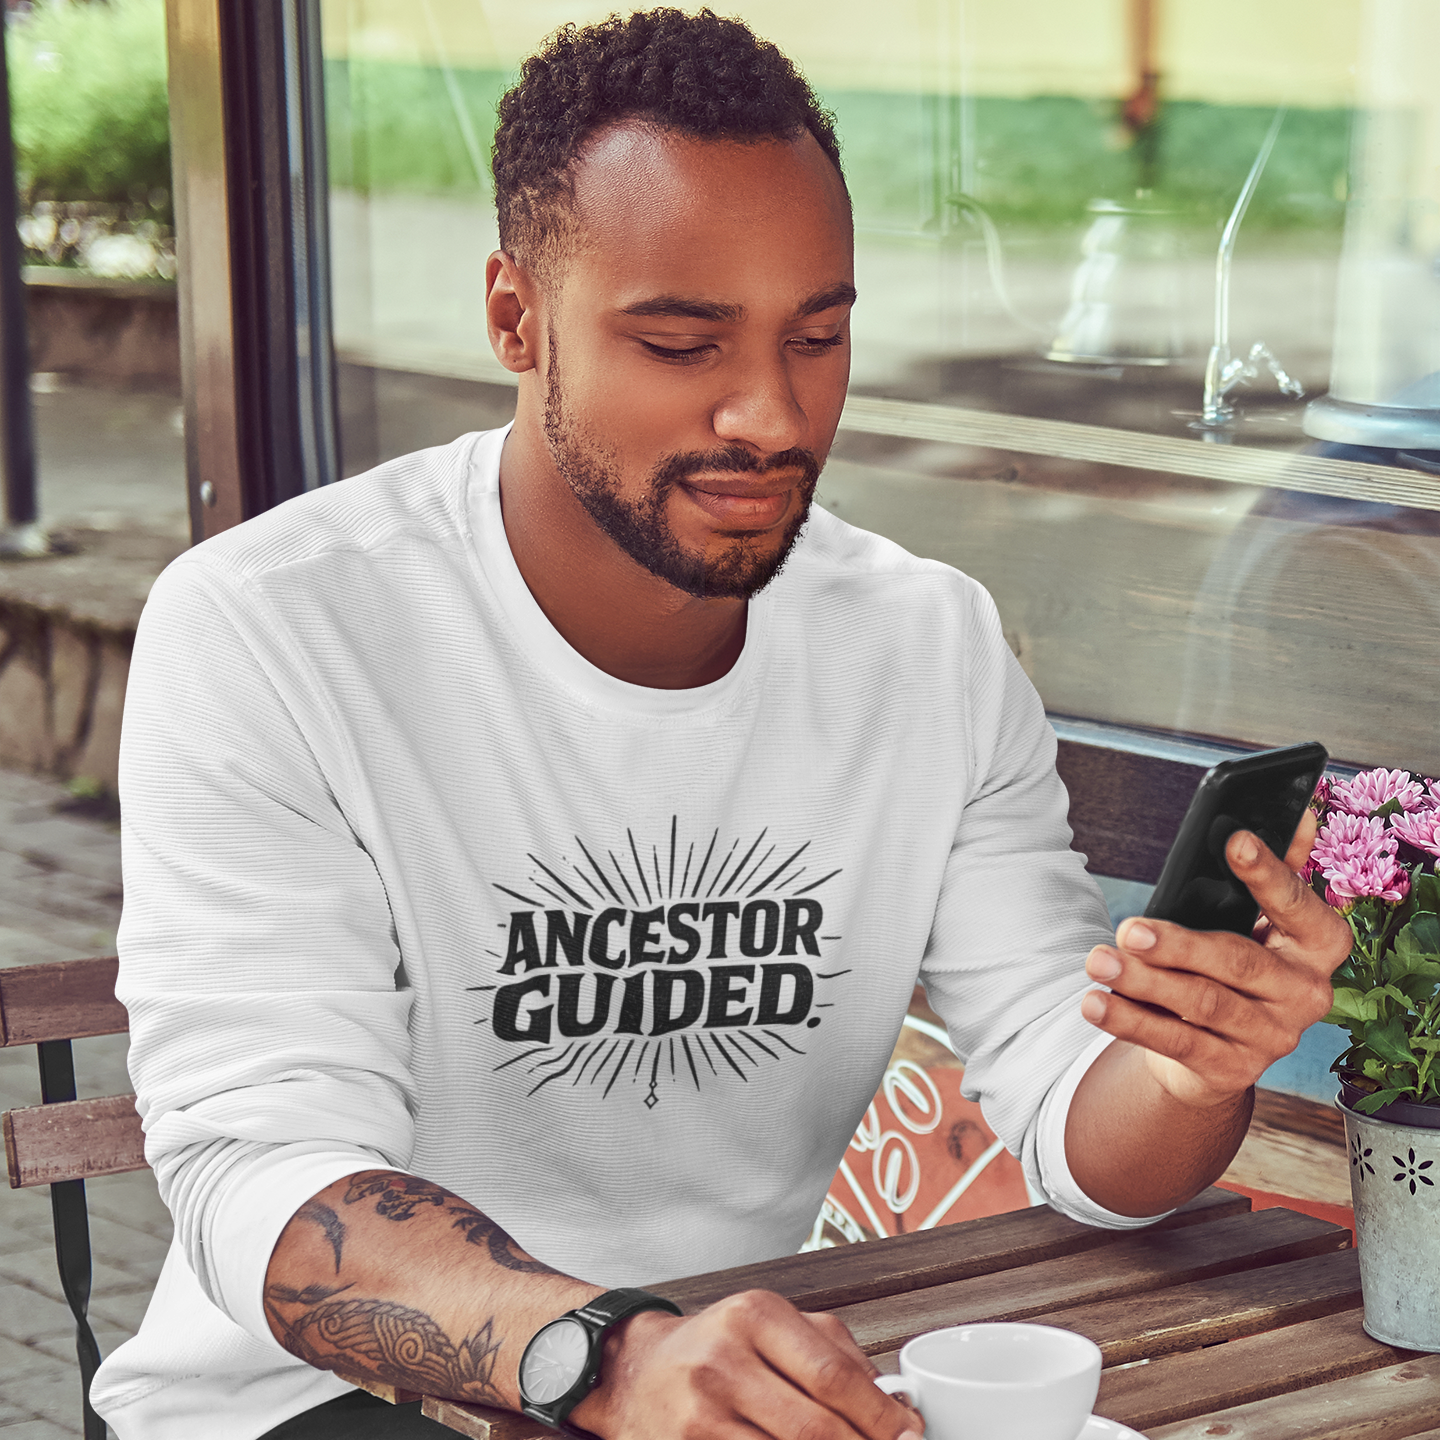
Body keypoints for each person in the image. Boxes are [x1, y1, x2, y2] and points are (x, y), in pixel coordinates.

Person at [91, 11, 1351, 1440]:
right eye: (682, 342)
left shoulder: (926, 645)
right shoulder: (274, 628)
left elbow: (1085, 1138)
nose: (770, 412)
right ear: (515, 316)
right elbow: (264, 1179)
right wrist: (610, 1357)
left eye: (817, 336)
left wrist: (1195, 1059)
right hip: (311, 1409)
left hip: (722, 1389)